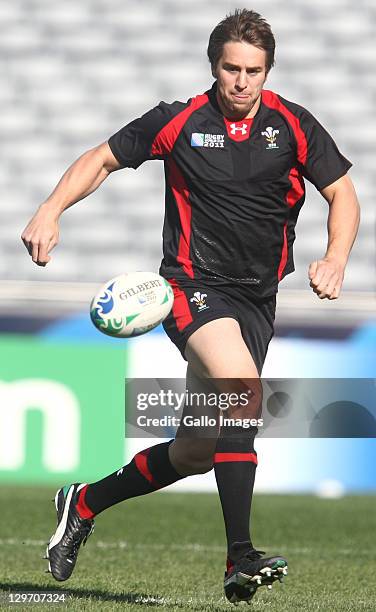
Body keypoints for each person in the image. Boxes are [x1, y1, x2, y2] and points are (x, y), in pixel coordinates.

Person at [21, 8, 360, 605]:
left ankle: (84, 501)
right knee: (241, 386)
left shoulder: (295, 125)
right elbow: (101, 158)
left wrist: (335, 256)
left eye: (253, 70)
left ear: (268, 71)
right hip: (190, 288)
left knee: (199, 450)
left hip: (257, 300)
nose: (242, 81)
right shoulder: (177, 120)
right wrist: (51, 209)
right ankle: (239, 557)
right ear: (215, 66)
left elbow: (343, 194)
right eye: (231, 68)